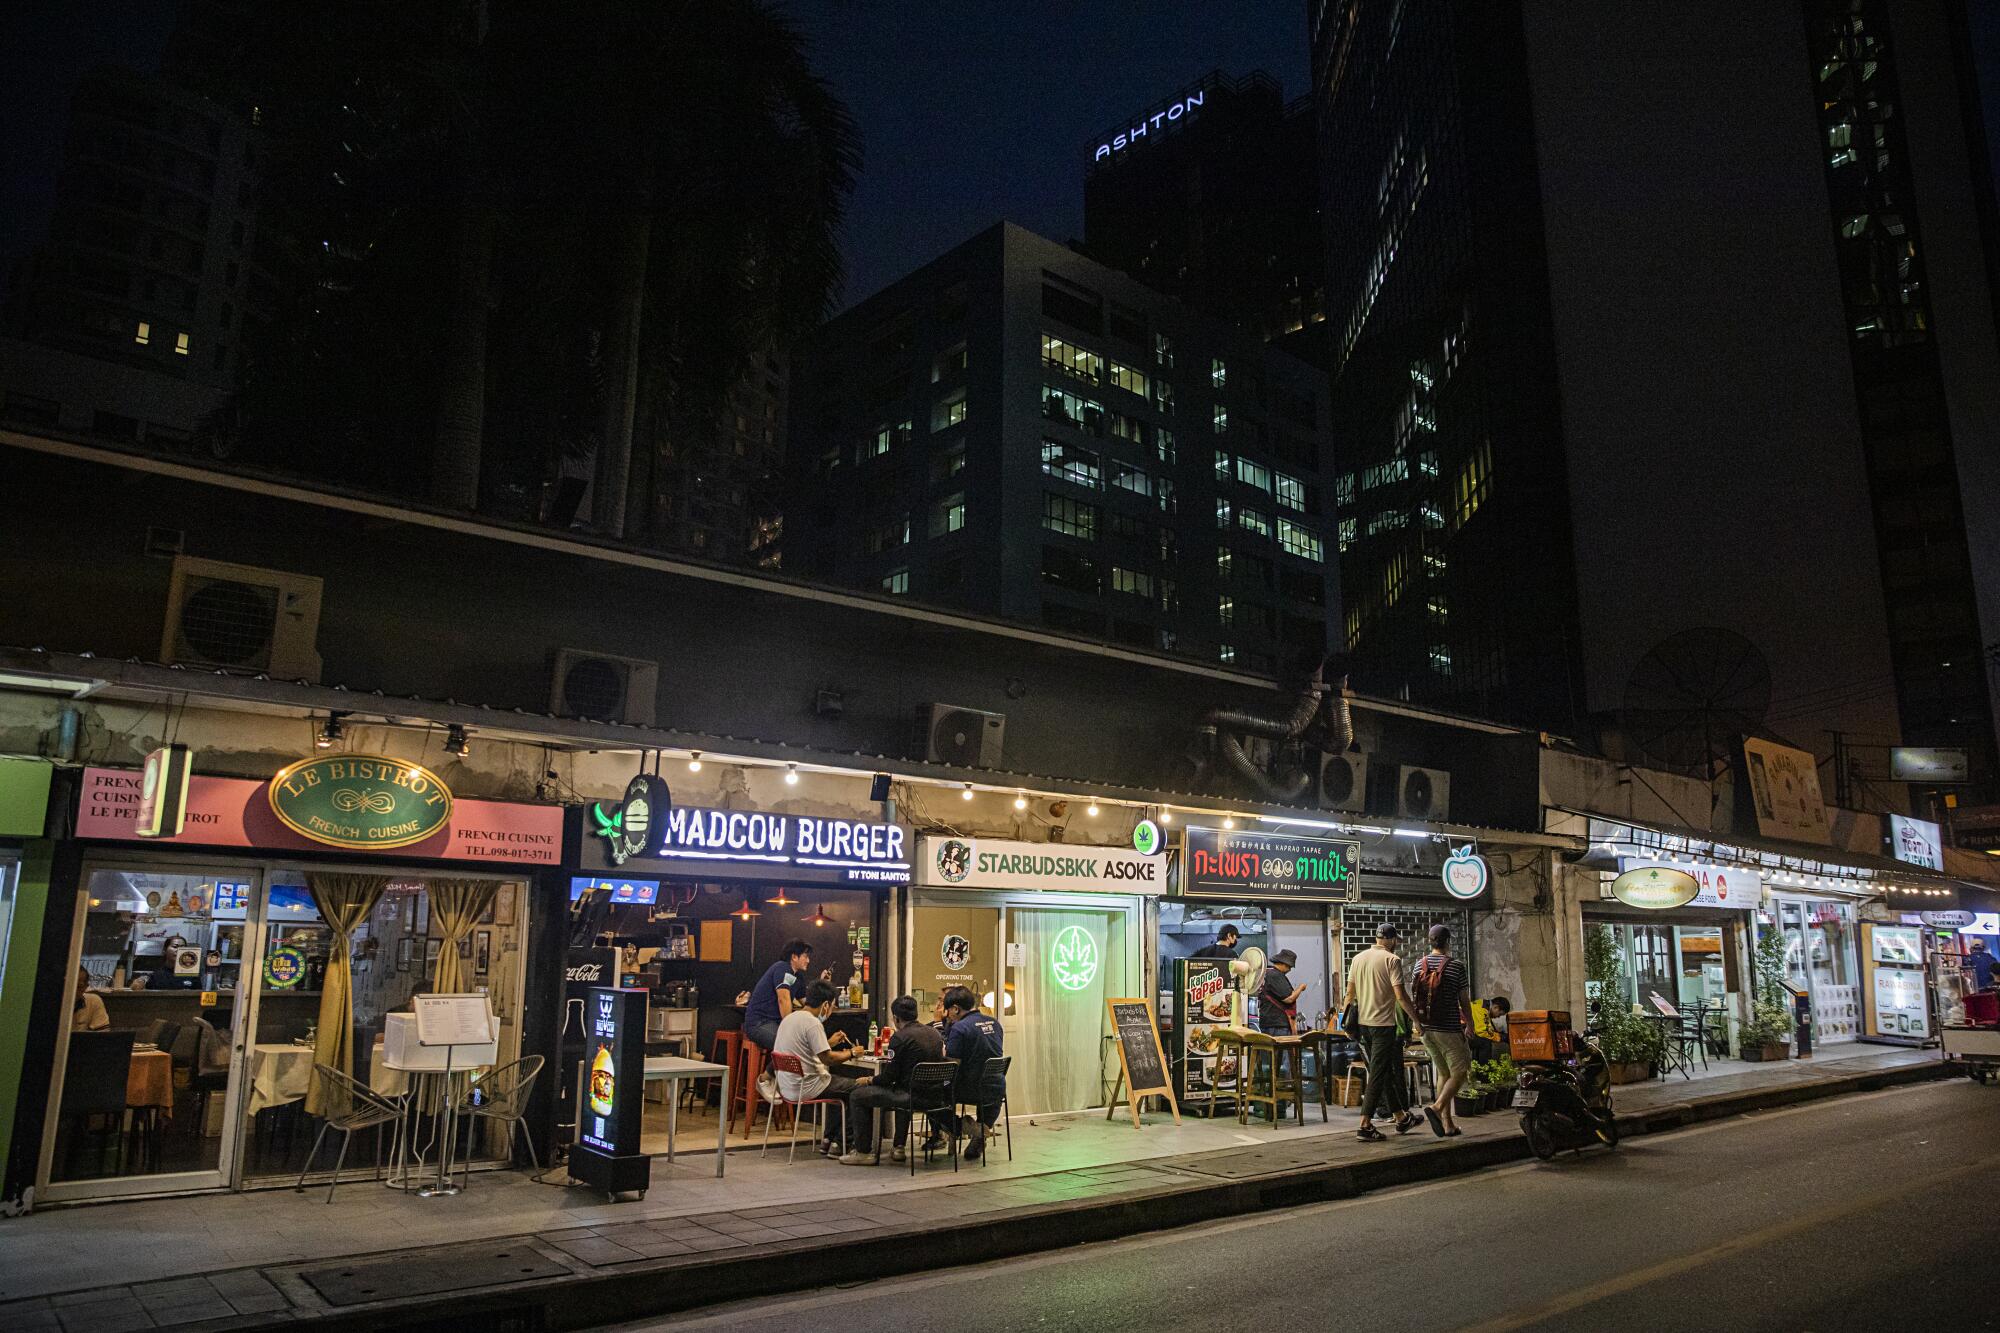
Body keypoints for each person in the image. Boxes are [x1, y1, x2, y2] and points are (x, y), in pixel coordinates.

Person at [1342, 923, 1424, 1141]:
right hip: (1383, 1026)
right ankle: (1364, 1125)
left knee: (1384, 1071)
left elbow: (1349, 994)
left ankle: (1401, 1118)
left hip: (1362, 1026)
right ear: (1393, 940)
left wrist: (1345, 1024)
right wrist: (1416, 1020)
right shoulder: (1392, 960)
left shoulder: (1358, 958)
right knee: (1378, 1074)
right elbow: (1400, 995)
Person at [841, 994, 946, 1165]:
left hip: (910, 1096)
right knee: (902, 1089)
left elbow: (889, 1077)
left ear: (895, 1018)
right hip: (936, 1096)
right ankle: (898, 1147)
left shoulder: (899, 1037)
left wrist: (869, 1080)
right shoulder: (934, 1033)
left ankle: (862, 1151)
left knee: (858, 1096)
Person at [772, 980, 866, 1156]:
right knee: (860, 1088)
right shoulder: (813, 1023)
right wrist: (852, 1053)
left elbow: (806, 1050)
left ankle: (828, 1140)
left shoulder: (790, 1018)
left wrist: (828, 1042)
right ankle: (840, 1143)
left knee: (838, 1089)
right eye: (831, 1006)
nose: (830, 1010)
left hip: (787, 1086)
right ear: (825, 1005)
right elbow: (828, 1058)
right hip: (809, 1086)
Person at [1412, 924, 1473, 1138]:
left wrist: (1417, 1023)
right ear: (1448, 941)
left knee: (1444, 1073)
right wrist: (1470, 1025)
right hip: (1448, 1028)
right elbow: (1464, 1000)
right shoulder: (1456, 966)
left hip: (1427, 1029)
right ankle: (1437, 1109)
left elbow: (1414, 995)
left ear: (1430, 941)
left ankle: (1448, 1125)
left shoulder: (1420, 964)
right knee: (1461, 1071)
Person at [937, 985, 1005, 1161]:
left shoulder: (960, 1028)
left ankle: (962, 1127)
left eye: (948, 1010)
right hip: (996, 1087)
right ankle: (982, 1130)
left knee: (932, 1096)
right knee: (990, 1092)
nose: (948, 1015)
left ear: (955, 1008)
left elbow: (952, 1066)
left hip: (969, 1088)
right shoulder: (995, 1023)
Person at [742, 940, 813, 1050]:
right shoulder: (782, 968)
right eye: (805, 956)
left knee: (800, 1043)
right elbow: (783, 999)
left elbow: (807, 1003)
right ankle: (771, 1068)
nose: (808, 960)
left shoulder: (798, 977)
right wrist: (791, 1027)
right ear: (794, 957)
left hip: (775, 1023)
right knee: (788, 1044)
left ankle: (771, 1068)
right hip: (759, 1023)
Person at [1257, 949, 1306, 1035]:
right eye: (1289, 967)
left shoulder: (1267, 974)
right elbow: (1289, 999)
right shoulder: (1275, 975)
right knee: (1281, 1048)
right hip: (1277, 1026)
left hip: (1268, 1023)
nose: (1289, 970)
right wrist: (1301, 988)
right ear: (1284, 963)